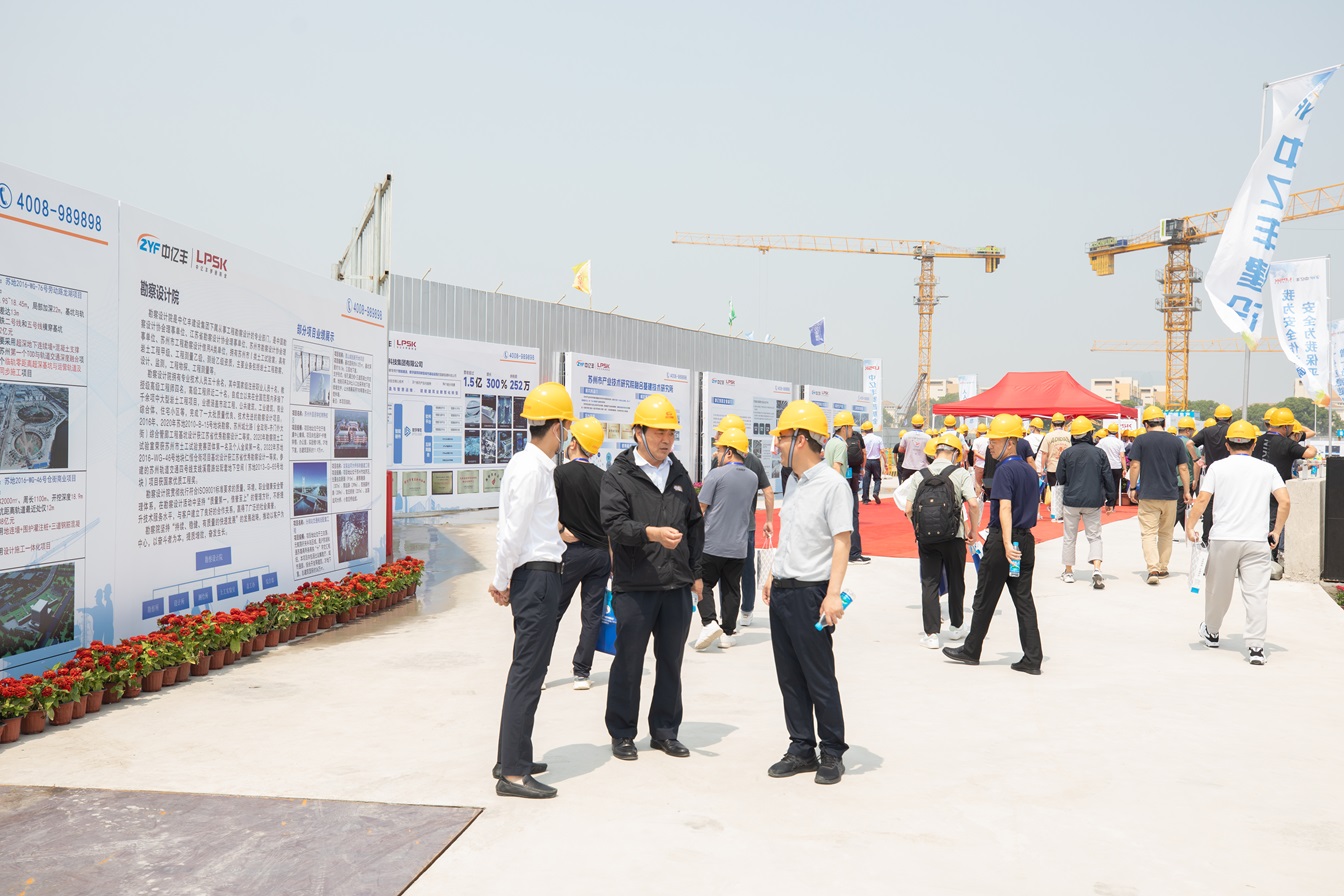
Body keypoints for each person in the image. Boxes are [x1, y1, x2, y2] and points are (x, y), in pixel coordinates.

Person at [601, 394, 704, 761]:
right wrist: (651, 533)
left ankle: (664, 731)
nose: (666, 440)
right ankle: (622, 733)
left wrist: (697, 574)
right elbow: (613, 524)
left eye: (671, 433)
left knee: (671, 662)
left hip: (676, 586)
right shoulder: (618, 475)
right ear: (639, 432)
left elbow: (695, 525)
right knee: (629, 661)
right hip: (635, 585)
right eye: (659, 432)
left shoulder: (679, 474)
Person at [760, 400, 852, 785]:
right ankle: (801, 747)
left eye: (781, 438)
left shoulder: (833, 485)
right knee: (789, 677)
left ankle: (831, 751)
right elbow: (792, 535)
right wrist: (773, 573)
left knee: (818, 677)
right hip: (783, 591)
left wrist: (833, 595)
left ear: (799, 440)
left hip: (812, 595)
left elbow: (842, 541)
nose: (776, 445)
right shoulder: (794, 483)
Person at [491, 382, 574, 799]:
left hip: (536, 576)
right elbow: (513, 531)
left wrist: (505, 576)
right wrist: (500, 578)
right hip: (537, 579)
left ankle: (512, 756)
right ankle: (514, 773)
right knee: (528, 674)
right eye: (567, 427)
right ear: (557, 427)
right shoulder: (532, 469)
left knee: (528, 672)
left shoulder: (526, 465)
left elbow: (512, 527)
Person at [943, 414, 1044, 675]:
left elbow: (1005, 508)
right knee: (1023, 600)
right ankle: (1033, 658)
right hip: (1025, 540)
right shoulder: (1029, 471)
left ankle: (971, 650)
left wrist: (1007, 543)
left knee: (984, 597)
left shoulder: (1004, 470)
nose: (991, 446)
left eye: (995, 441)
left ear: (1011, 442)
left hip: (1003, 542)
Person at [1186, 420, 1290, 666]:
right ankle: (1256, 647)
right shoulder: (1267, 469)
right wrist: (1276, 531)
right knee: (1256, 594)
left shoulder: (1217, 468)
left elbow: (1203, 500)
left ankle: (1212, 632)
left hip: (1224, 538)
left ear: (1227, 444)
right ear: (1253, 444)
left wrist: (1190, 526)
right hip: (1256, 540)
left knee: (1218, 590)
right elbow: (1284, 501)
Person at [895, 433, 980, 649]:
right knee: (956, 580)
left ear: (936, 453)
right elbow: (973, 504)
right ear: (955, 453)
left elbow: (908, 509)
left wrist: (920, 528)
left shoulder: (919, 475)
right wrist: (973, 530)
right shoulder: (960, 473)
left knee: (930, 582)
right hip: (954, 536)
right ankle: (956, 627)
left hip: (927, 539)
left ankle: (932, 634)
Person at [554, 415, 610, 691]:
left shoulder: (560, 474)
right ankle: (582, 674)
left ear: (575, 443)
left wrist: (561, 530)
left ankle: (537, 671)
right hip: (600, 555)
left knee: (552, 611)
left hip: (571, 553)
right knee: (592, 615)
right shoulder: (604, 478)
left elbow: (548, 511)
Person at [694, 427, 761, 651]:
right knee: (732, 589)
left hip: (712, 542)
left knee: (703, 584)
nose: (717, 454)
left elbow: (701, 508)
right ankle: (728, 634)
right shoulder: (752, 478)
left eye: (720, 449)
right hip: (739, 544)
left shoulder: (716, 474)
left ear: (730, 452)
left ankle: (709, 622)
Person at [709, 413, 775, 628]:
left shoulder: (719, 460)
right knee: (746, 570)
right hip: (747, 526)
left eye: (720, 433)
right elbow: (768, 491)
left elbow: (710, 491)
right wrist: (769, 520)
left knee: (723, 571)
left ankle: (726, 616)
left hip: (722, 527)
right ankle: (746, 611)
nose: (716, 437)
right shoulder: (753, 460)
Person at [1127, 406, 1191, 585]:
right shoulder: (1176, 442)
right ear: (1163, 422)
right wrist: (1186, 491)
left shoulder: (1141, 440)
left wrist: (1133, 487)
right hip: (1170, 494)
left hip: (1148, 494)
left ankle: (1152, 568)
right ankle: (1163, 567)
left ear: (1146, 424)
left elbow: (1135, 465)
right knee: (1166, 533)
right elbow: (1183, 468)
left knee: (1148, 533)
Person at [1254, 407, 1317, 568]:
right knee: (1274, 525)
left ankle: (1255, 556)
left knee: (1256, 521)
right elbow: (1309, 454)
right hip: (1277, 490)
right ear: (1285, 427)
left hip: (1256, 488)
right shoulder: (1287, 443)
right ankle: (1270, 558)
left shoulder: (1257, 440)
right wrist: (1313, 448)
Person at [1055, 416, 1113, 589]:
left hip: (1071, 500)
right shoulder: (1099, 453)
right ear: (1089, 433)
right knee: (1095, 537)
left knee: (1069, 537)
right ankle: (1096, 568)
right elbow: (1108, 477)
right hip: (1093, 501)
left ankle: (1068, 572)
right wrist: (1111, 499)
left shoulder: (1066, 453)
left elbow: (1060, 478)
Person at [826, 410, 869, 564]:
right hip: (839, 487)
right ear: (844, 428)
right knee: (850, 518)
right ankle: (852, 553)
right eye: (850, 427)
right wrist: (840, 490)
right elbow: (837, 467)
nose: (852, 430)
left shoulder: (831, 442)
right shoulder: (840, 445)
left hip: (829, 486)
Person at [1191, 404, 1234, 546]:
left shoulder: (1207, 431)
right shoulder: (1231, 430)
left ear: (1215, 418)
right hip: (1229, 472)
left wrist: (1196, 459)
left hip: (1212, 472)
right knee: (1228, 504)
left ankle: (1206, 538)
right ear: (1230, 418)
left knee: (1209, 506)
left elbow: (1190, 444)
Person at [1037, 412, 1072, 521]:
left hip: (1052, 467)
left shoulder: (1048, 436)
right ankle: (1065, 513)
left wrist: (1042, 467)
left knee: (1054, 491)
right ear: (1064, 424)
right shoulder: (1069, 436)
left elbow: (1044, 453)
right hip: (1067, 467)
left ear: (1052, 424)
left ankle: (1056, 514)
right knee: (1066, 490)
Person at [1174, 417, 1202, 534]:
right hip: (1185, 481)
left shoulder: (1171, 442)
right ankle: (1165, 530)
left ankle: (1188, 531)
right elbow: (1197, 463)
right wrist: (1195, 479)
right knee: (1180, 508)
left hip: (1171, 480)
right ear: (1188, 431)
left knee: (1179, 508)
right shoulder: (1190, 445)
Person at [1097, 423, 1126, 507]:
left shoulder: (1102, 441)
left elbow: (1097, 451)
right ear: (1117, 433)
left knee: (1103, 484)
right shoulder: (1120, 442)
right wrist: (1124, 468)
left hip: (1105, 466)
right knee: (1115, 486)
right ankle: (1111, 505)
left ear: (1108, 431)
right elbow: (1122, 456)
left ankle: (1104, 502)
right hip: (1116, 467)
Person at [860, 421, 887, 504]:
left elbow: (862, 452)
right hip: (876, 461)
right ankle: (875, 492)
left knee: (866, 480)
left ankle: (865, 499)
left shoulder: (863, 439)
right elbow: (882, 451)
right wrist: (885, 462)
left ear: (864, 430)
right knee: (877, 479)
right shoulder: (878, 439)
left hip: (866, 461)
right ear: (872, 429)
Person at [898, 415, 931, 483]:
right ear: (922, 425)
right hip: (922, 467)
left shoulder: (906, 435)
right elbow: (930, 452)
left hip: (908, 466)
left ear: (912, 424)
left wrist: (908, 450)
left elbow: (900, 450)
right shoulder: (928, 437)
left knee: (907, 486)